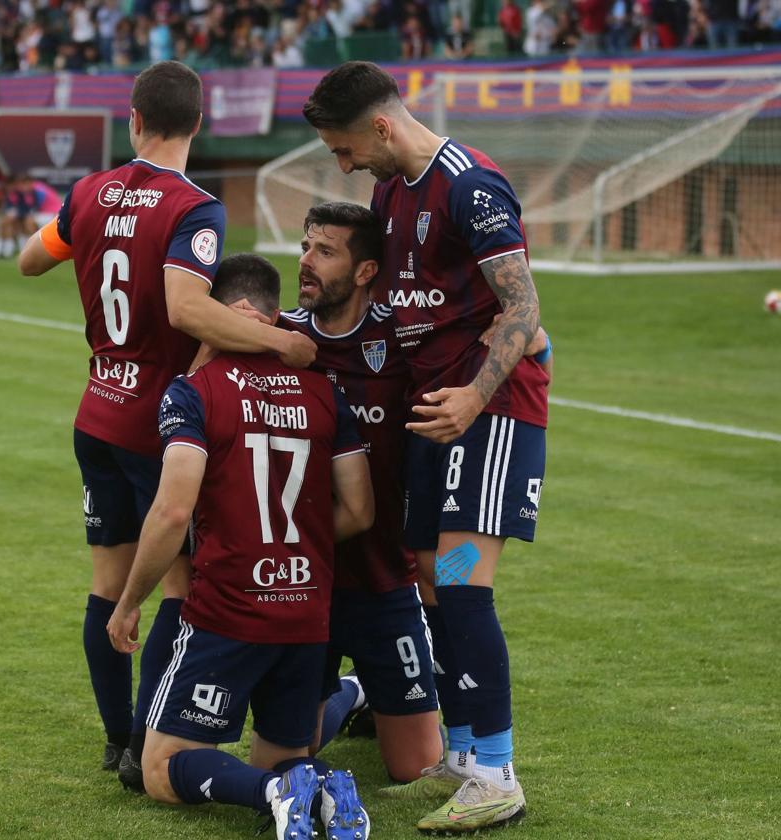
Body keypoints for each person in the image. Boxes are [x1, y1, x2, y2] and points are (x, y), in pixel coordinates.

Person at [18, 60, 317, 782]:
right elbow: (185, 308)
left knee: (106, 582)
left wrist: (84, 235)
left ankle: (117, 738)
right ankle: (150, 743)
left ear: (134, 119)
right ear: (199, 124)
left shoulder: (89, 191)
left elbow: (31, 259)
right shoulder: (194, 207)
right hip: (159, 424)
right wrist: (281, 339)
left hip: (96, 411)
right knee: (178, 586)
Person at [303, 62, 550, 833]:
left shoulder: (469, 186)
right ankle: (466, 752)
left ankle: (498, 774)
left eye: (344, 149)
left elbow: (523, 305)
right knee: (430, 578)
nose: (342, 165)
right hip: (432, 413)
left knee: (462, 578)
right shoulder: (389, 192)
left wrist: (476, 396)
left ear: (380, 127)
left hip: (490, 408)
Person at [107, 253, 375, 840]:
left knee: (161, 768)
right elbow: (359, 509)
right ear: (274, 313)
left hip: (229, 609)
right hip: (306, 610)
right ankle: (320, 780)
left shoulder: (194, 392)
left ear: (211, 316)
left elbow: (173, 510)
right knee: (277, 755)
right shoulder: (325, 390)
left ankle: (278, 791)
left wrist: (129, 601)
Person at [280, 202, 443, 782]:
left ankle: (375, 688)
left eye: (325, 252)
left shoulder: (402, 341)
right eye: (305, 247)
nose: (305, 261)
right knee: (286, 759)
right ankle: (351, 692)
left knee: (416, 770)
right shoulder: (279, 337)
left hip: (381, 579)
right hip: (302, 580)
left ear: (367, 270)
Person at [0, 174, 62, 258]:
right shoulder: (25, 192)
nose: (20, 187)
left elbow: (34, 207)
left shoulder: (38, 190)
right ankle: (11, 251)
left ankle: (32, 250)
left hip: (53, 214)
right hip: (44, 214)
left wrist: (17, 214)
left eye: (22, 184)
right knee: (16, 222)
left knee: (28, 222)